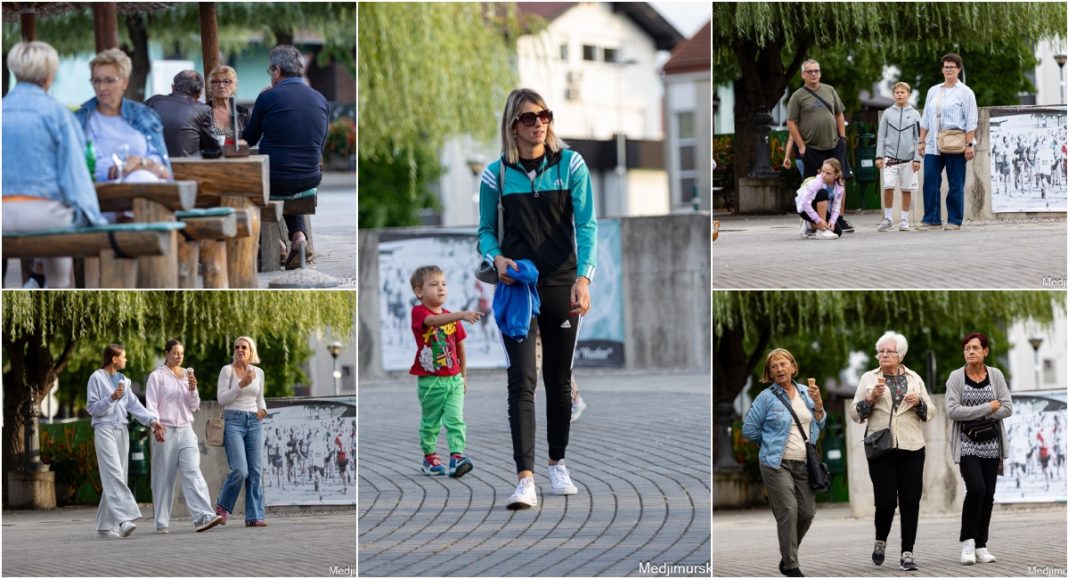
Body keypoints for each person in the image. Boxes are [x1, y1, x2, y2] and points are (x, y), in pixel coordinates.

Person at [477, 88, 597, 510]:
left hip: (563, 285)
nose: (539, 123)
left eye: (544, 115)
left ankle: (557, 464)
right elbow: (485, 232)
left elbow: (587, 226)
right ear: (513, 125)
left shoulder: (571, 164)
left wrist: (584, 278)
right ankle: (524, 479)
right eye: (529, 118)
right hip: (518, 290)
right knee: (522, 380)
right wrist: (497, 257)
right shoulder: (496, 174)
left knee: (559, 382)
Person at [2, 41, 106, 288]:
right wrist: (93, 218)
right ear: (49, 77)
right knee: (59, 272)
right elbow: (75, 177)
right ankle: (45, 287)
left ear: (15, 72)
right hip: (44, 216)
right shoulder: (58, 115)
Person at [848, 331, 935, 572]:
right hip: (881, 447)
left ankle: (907, 553)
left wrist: (919, 402)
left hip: (912, 446)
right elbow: (855, 414)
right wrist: (870, 399)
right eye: (881, 351)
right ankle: (881, 540)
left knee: (910, 501)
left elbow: (932, 411)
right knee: (886, 502)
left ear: (901, 355)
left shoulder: (914, 378)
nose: (884, 355)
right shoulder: (868, 378)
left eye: (889, 351)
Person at [241, 45, 329, 270]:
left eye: (270, 72)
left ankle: (274, 246)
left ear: (277, 71)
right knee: (290, 179)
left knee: (245, 187)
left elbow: (249, 139)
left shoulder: (267, 97)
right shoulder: (321, 99)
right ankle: (298, 237)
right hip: (311, 177)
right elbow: (320, 144)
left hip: (277, 178)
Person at [741, 348, 826, 577]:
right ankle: (791, 565)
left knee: (806, 513)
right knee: (788, 510)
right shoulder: (766, 398)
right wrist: (768, 442)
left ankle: (787, 554)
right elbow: (749, 430)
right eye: (773, 367)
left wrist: (818, 404)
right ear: (769, 373)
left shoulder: (807, 393)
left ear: (793, 367)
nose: (779, 369)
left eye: (783, 364)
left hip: (804, 463)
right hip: (776, 463)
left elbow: (818, 423)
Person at [945, 332, 1013, 565]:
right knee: (976, 489)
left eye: (975, 348)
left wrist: (976, 411)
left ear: (985, 351)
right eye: (967, 348)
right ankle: (968, 543)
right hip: (966, 444)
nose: (970, 351)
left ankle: (982, 545)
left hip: (992, 444)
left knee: (988, 494)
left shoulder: (995, 375)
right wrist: (986, 408)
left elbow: (1007, 407)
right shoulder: (956, 377)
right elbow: (953, 411)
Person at [86, 343, 166, 538]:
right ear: (114, 359)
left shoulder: (125, 381)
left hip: (122, 430)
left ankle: (105, 526)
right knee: (113, 473)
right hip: (104, 429)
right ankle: (123, 519)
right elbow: (92, 408)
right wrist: (112, 398)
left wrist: (152, 421)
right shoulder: (96, 378)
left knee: (117, 476)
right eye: (124, 356)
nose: (126, 359)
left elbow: (135, 406)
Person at [409, 265, 481, 478]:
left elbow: (460, 347)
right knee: (431, 423)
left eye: (444, 284)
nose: (441, 289)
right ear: (419, 292)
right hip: (430, 381)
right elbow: (432, 321)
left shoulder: (452, 317)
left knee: (455, 420)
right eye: (433, 285)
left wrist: (463, 376)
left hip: (453, 380)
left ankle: (456, 457)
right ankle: (429, 457)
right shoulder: (419, 312)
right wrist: (461, 315)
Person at [144, 339, 224, 533]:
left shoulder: (187, 376)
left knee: (193, 472)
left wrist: (192, 388)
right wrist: (155, 425)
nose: (179, 356)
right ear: (166, 353)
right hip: (166, 430)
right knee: (164, 478)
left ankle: (203, 516)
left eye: (181, 353)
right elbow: (151, 404)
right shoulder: (157, 377)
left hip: (187, 430)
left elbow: (195, 405)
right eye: (175, 353)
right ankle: (161, 522)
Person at [74, 48, 171, 185]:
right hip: (102, 195)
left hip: (147, 188)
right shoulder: (81, 120)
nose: (102, 88)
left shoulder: (145, 116)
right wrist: (123, 168)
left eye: (109, 81)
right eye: (96, 81)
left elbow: (160, 162)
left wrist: (139, 162)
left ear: (125, 83)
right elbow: (85, 164)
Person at [785, 59, 854, 232]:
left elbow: (839, 114)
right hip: (812, 148)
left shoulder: (829, 90)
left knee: (840, 180)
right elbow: (791, 122)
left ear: (820, 73)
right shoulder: (798, 96)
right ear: (803, 75)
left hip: (833, 144)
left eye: (816, 70)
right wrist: (801, 146)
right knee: (813, 184)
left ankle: (839, 218)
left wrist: (842, 138)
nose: (813, 74)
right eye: (809, 71)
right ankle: (814, 219)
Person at [917, 52, 978, 231]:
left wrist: (969, 145)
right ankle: (931, 219)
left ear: (958, 69)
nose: (948, 70)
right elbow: (926, 118)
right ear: (942, 69)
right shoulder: (933, 91)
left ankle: (954, 220)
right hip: (933, 143)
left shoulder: (966, 92)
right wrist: (921, 141)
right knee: (929, 180)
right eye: (945, 67)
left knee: (955, 182)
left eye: (952, 67)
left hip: (955, 142)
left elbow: (971, 120)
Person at [214, 336, 268, 527]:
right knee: (240, 470)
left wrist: (263, 409)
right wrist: (241, 385)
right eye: (237, 347)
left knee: (254, 471)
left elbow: (260, 398)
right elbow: (222, 399)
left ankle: (254, 516)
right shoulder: (227, 371)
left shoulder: (258, 372)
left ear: (251, 351)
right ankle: (222, 504)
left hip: (254, 421)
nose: (240, 350)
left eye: (244, 347)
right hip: (233, 421)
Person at [874, 82, 922, 232]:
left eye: (903, 92)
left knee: (906, 189)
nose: (900, 95)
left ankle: (904, 220)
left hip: (908, 159)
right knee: (888, 186)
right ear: (893, 94)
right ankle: (888, 219)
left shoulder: (915, 114)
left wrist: (917, 158)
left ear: (908, 94)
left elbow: (919, 138)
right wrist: (879, 156)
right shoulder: (888, 113)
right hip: (890, 158)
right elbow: (881, 136)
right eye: (897, 92)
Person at [145, 70, 217, 158]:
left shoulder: (153, 101)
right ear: (200, 92)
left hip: (153, 165)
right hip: (186, 168)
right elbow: (213, 148)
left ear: (173, 87)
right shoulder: (203, 110)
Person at [794, 158, 845, 240]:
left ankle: (808, 225)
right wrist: (818, 220)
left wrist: (832, 221)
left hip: (821, 210)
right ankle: (822, 231)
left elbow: (836, 208)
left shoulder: (839, 187)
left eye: (828, 173)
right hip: (805, 210)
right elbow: (805, 203)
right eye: (823, 171)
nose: (824, 175)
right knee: (823, 193)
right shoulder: (817, 183)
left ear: (836, 175)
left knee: (837, 231)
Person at [205, 65, 250, 145]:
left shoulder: (244, 113)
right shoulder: (202, 112)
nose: (221, 86)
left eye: (226, 81)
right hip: (211, 156)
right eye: (216, 82)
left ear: (234, 86)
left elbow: (251, 140)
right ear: (210, 86)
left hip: (239, 156)